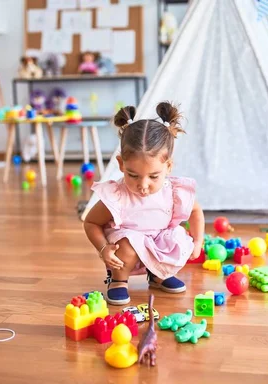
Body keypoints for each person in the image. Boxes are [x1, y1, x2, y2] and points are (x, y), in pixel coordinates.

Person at [84, 102, 204, 305]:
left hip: (157, 242)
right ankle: (118, 280)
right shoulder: (118, 195)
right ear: (121, 164)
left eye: (153, 176)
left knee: (176, 239)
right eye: (133, 175)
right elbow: (91, 222)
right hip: (128, 244)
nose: (143, 185)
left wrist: (198, 242)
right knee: (127, 246)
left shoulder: (173, 191)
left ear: (168, 167)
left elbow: (195, 211)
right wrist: (104, 248)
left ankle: (158, 275)